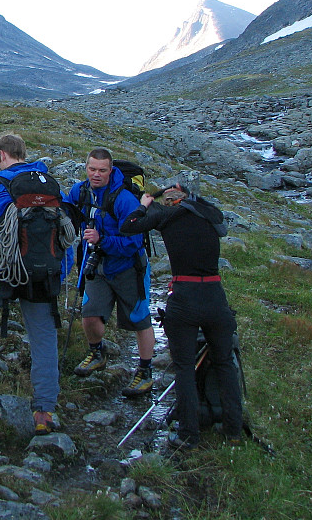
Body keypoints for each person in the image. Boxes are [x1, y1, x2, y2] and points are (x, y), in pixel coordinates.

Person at [120, 185, 244, 449]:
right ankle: (234, 430)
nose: (169, 201)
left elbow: (128, 225)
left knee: (185, 367)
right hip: (215, 295)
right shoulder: (210, 215)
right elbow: (208, 208)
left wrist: (144, 205)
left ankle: (189, 433)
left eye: (170, 199)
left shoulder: (168, 216)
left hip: (184, 296)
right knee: (224, 363)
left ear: (176, 201)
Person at [0, 133, 69, 435]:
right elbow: (65, 234)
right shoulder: (49, 183)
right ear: (22, 153)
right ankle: (44, 410)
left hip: (1, 277)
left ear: (2, 154)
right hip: (42, 278)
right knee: (43, 339)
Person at [65, 148, 156, 397]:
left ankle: (145, 371)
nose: (96, 174)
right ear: (86, 167)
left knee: (139, 319)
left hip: (128, 268)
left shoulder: (125, 199)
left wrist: (102, 240)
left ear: (111, 170)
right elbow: (67, 207)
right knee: (89, 315)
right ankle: (97, 352)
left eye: (102, 170)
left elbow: (134, 243)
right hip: (97, 266)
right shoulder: (80, 191)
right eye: (92, 169)